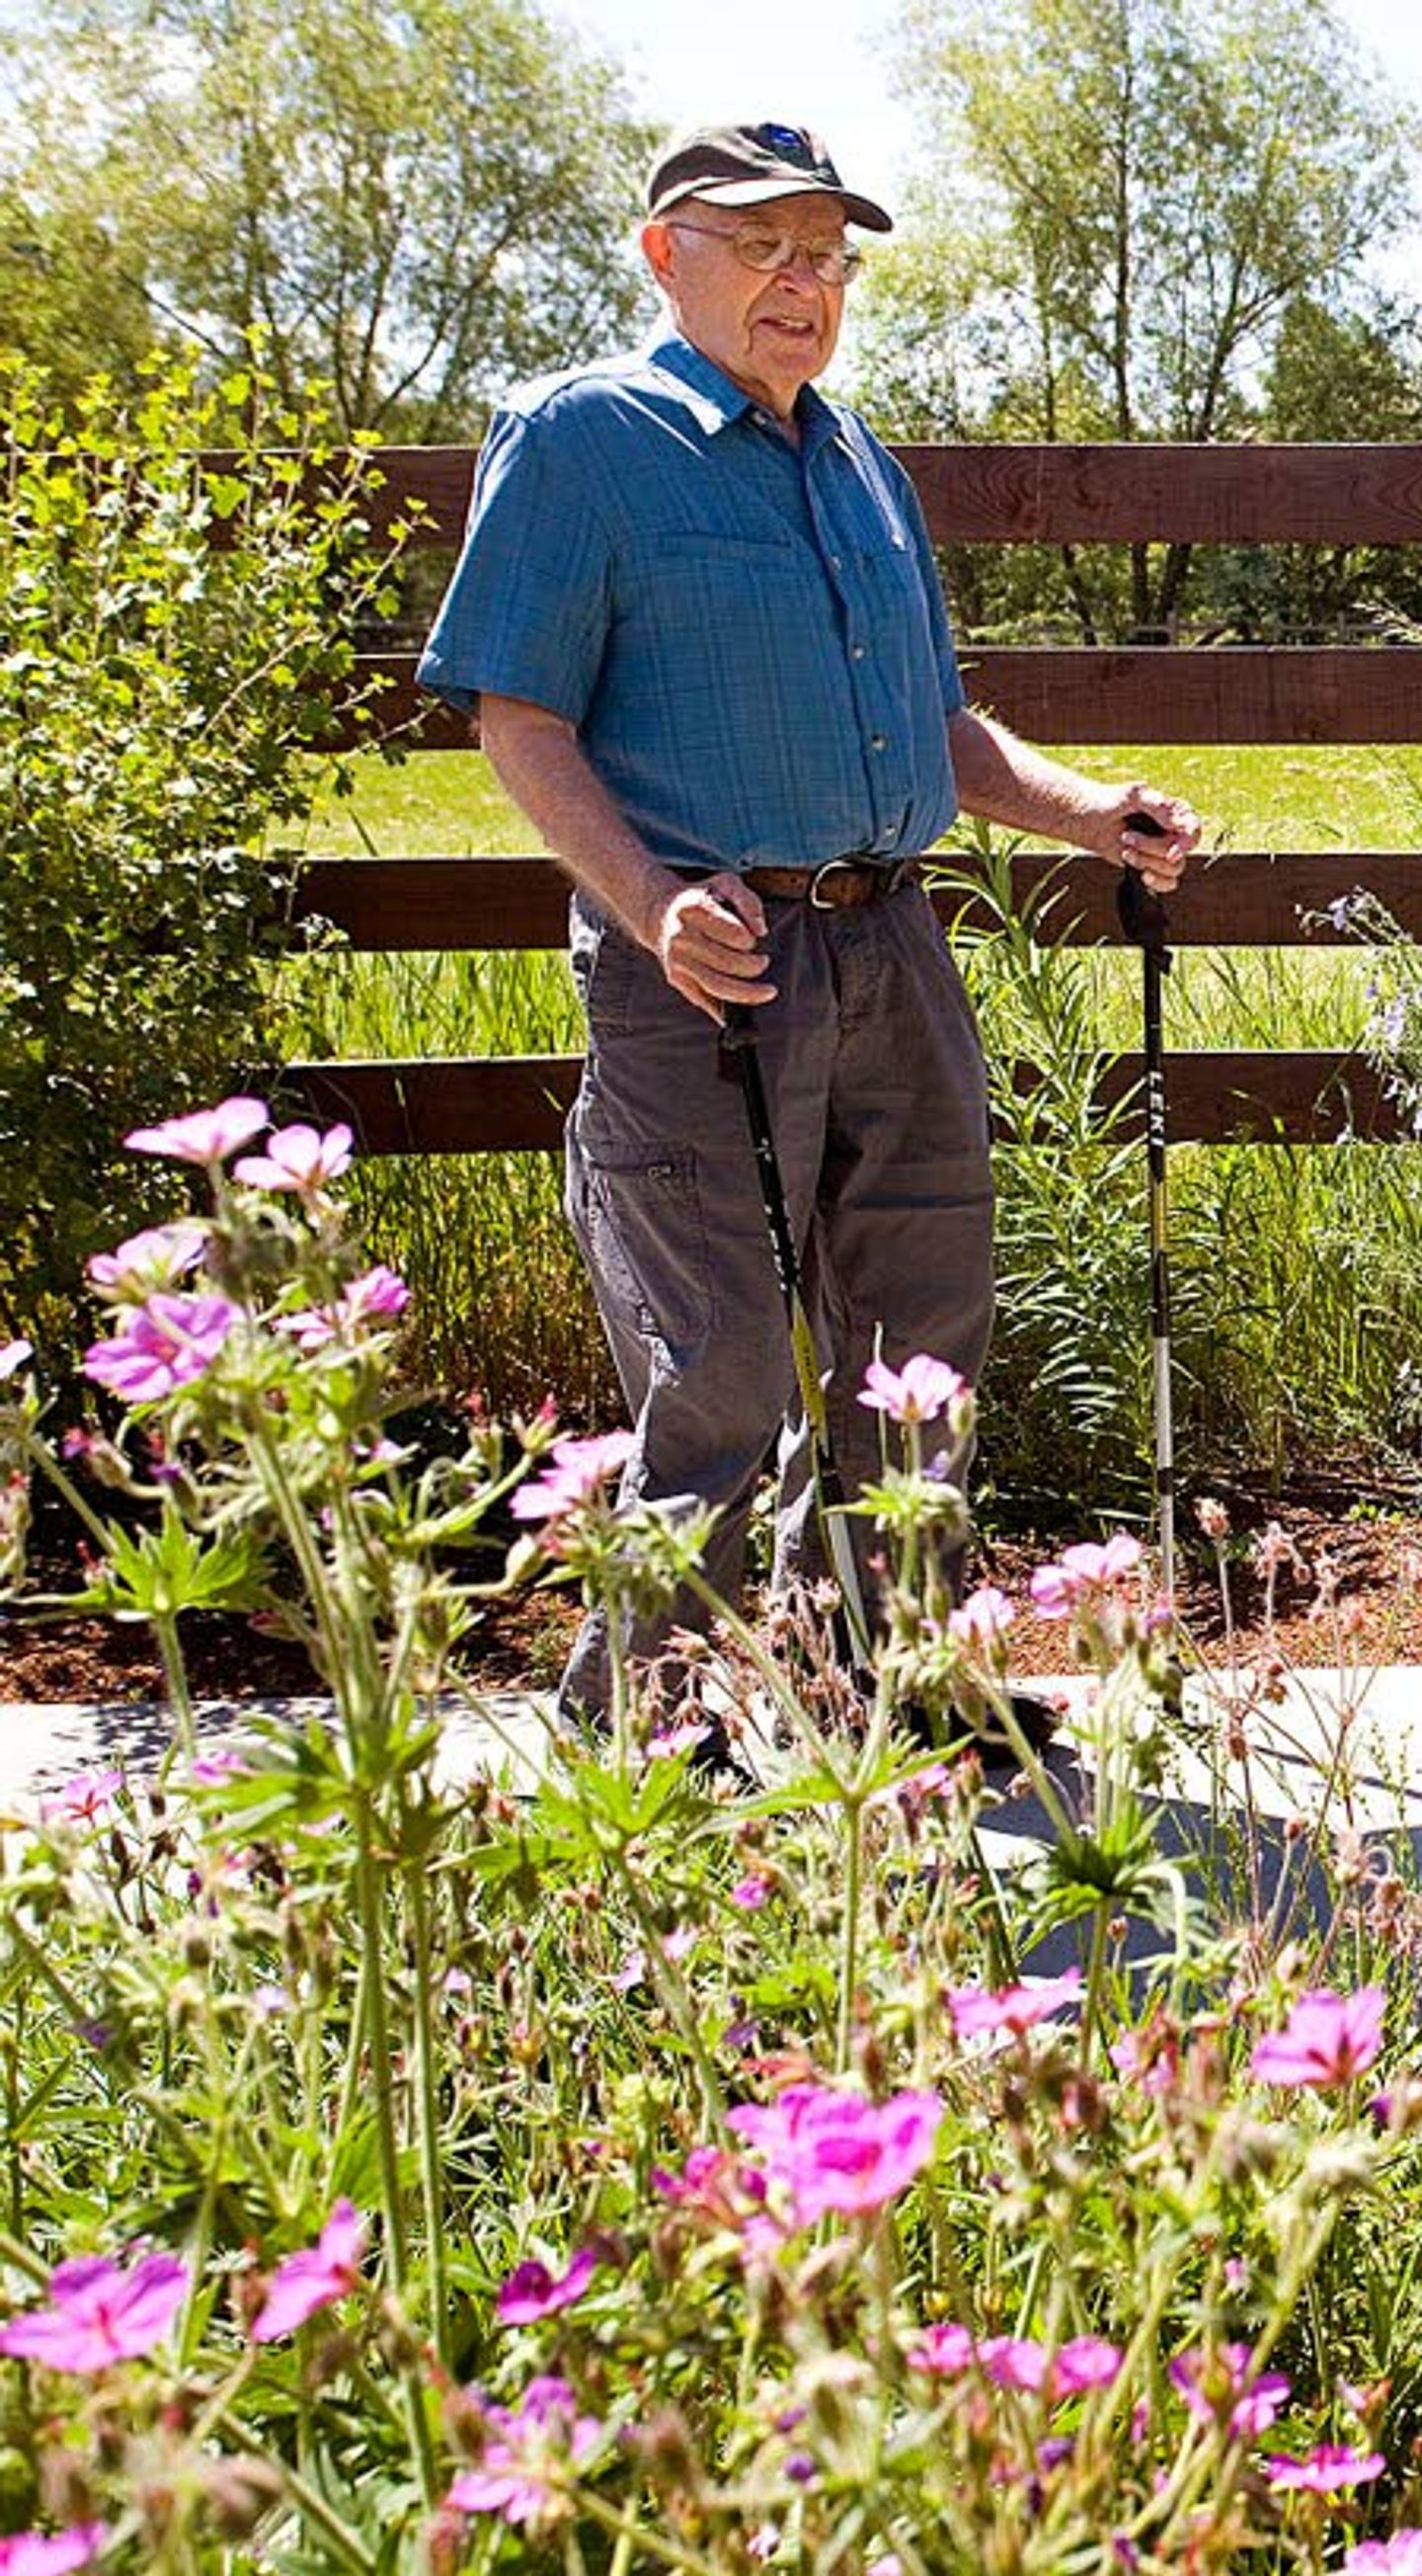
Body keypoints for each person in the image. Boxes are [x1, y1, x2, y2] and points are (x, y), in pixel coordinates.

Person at [417, 120, 1200, 1730]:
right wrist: (649, 907)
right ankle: (642, 1729)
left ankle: (891, 1688)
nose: (804, 283)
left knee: (918, 1340)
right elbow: (515, 716)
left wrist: (1086, 812)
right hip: (702, 967)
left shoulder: (858, 467)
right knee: (716, 1372)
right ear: (663, 255)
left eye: (827, 255)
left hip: (893, 949)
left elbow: (936, 727)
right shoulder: (581, 441)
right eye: (763, 246)